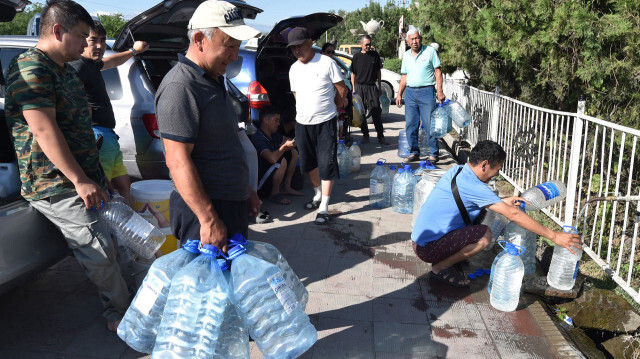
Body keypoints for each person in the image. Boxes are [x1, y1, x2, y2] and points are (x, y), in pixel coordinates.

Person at [4, 0, 130, 331]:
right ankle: (122, 317)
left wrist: (96, 177)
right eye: (81, 35)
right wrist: (79, 179)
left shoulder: (64, 70)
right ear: (58, 31)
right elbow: (44, 129)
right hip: (56, 182)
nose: (87, 43)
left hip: (86, 176)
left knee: (112, 242)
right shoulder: (30, 68)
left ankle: (125, 303)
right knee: (98, 248)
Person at [154, 0, 261, 251]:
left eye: (238, 47)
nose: (235, 56)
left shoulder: (212, 79)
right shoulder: (181, 87)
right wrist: (209, 219)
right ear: (200, 39)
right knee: (207, 289)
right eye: (229, 46)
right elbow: (177, 161)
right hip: (206, 211)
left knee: (227, 286)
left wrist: (245, 190)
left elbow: (222, 145)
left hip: (229, 204)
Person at [411, 140, 583, 287]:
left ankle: (449, 255)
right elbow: (513, 215)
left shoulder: (459, 170)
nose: (498, 174)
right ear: (484, 164)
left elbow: (470, 200)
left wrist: (503, 201)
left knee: (480, 218)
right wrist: (554, 236)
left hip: (420, 241)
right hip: (428, 249)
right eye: (498, 169)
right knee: (484, 236)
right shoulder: (474, 186)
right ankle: (440, 267)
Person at [69, 21, 149, 203]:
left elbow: (111, 61)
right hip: (97, 136)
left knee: (123, 185)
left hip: (109, 138)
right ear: (82, 40)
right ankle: (104, 227)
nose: (99, 46)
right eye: (93, 40)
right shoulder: (79, 66)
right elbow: (74, 105)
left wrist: (134, 52)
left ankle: (125, 227)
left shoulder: (91, 65)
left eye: (103, 40)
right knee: (101, 189)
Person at [287, 27, 349, 225]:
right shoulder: (294, 68)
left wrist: (337, 106)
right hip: (303, 123)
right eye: (292, 48)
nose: (296, 51)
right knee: (309, 163)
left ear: (310, 42)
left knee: (327, 164)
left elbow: (341, 89)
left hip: (325, 122)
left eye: (299, 46)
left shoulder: (326, 62)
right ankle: (317, 194)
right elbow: (296, 94)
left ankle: (324, 206)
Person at [396, 27, 444, 162]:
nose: (415, 41)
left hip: (427, 91)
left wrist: (439, 91)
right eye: (412, 39)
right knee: (411, 124)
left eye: (417, 38)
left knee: (429, 124)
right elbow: (404, 76)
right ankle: (414, 152)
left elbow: (438, 72)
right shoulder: (406, 55)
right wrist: (399, 94)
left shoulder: (430, 51)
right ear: (408, 41)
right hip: (410, 93)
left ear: (421, 39)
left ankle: (434, 153)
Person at [250, 106, 302, 205]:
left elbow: (289, 141)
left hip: (270, 176)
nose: (278, 124)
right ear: (265, 120)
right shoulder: (258, 138)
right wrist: (283, 147)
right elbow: (272, 158)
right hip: (260, 185)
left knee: (293, 152)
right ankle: (274, 193)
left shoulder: (274, 135)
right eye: (276, 120)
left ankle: (287, 187)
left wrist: (289, 144)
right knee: (281, 161)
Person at [350, 34, 388, 145]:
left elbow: (378, 72)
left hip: (371, 87)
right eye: (366, 44)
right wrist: (353, 89)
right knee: (361, 113)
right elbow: (353, 74)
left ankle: (380, 136)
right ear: (360, 44)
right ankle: (365, 135)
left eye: (370, 44)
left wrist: (379, 86)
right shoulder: (356, 57)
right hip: (359, 87)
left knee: (376, 111)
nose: (368, 46)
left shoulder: (375, 55)